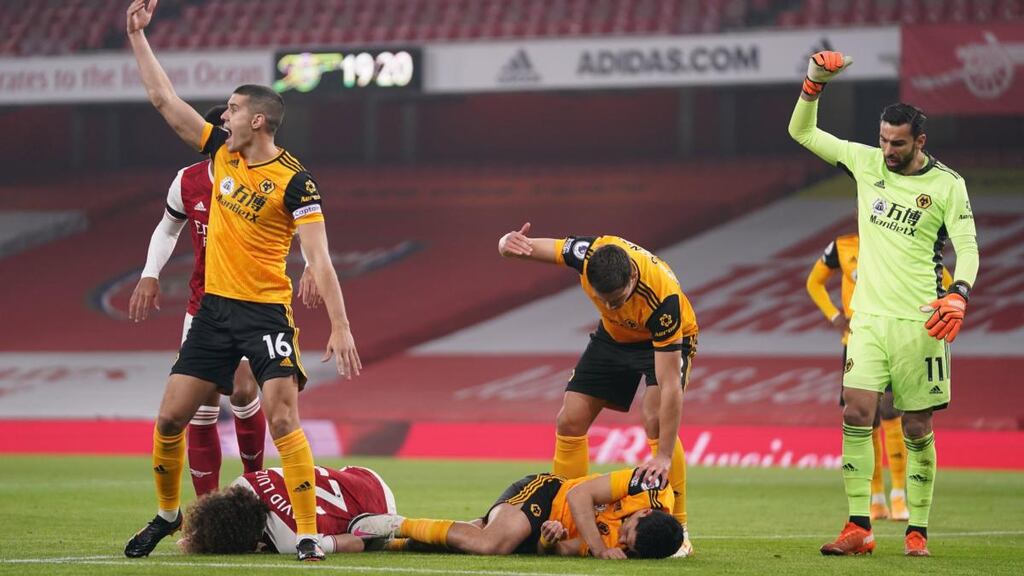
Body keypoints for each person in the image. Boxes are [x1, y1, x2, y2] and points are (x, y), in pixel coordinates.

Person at [124, 0, 362, 562]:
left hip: (265, 315)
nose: (221, 117)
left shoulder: (295, 183)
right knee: (169, 418)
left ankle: (308, 533)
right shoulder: (220, 155)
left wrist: (341, 326)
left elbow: (320, 260)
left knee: (283, 419)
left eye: (230, 110)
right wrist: (137, 36)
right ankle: (166, 514)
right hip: (213, 314)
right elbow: (164, 100)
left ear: (257, 120)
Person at [790, 50, 979, 557]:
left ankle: (917, 528)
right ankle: (859, 527)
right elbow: (802, 133)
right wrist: (813, 83)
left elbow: (969, 247)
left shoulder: (947, 185)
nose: (888, 150)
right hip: (867, 320)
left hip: (921, 322)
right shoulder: (866, 162)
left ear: (920, 141)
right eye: (883, 140)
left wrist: (959, 294)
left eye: (898, 143)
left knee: (917, 426)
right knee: (855, 412)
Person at [128, 104, 323, 497]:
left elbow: (294, 222)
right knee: (198, 411)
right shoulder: (187, 181)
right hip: (202, 306)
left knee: (243, 391)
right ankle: (206, 510)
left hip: (253, 302)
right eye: (221, 125)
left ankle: (253, 485)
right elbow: (167, 228)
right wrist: (150, 273)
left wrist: (313, 266)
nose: (225, 132)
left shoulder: (261, 178)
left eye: (228, 123)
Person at [497, 224, 698, 557]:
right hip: (614, 338)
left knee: (654, 419)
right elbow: (527, 245)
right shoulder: (588, 254)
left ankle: (680, 527)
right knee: (569, 420)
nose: (613, 305)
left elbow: (670, 388)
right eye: (605, 300)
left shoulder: (664, 302)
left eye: (617, 300)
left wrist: (661, 455)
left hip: (661, 342)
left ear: (632, 279)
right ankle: (560, 515)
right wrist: (507, 244)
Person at [348, 467, 683, 559]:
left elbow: (559, 550)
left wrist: (551, 542)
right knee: (492, 543)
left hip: (545, 527)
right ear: (643, 514)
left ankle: (387, 543)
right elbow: (581, 494)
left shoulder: (633, 548)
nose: (621, 539)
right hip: (546, 494)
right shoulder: (647, 486)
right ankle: (396, 523)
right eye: (626, 530)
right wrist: (599, 548)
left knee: (471, 542)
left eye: (627, 545)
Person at [177, 465, 397, 555]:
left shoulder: (290, 539)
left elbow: (355, 542)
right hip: (361, 475)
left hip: (381, 506)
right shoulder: (245, 482)